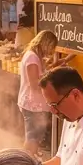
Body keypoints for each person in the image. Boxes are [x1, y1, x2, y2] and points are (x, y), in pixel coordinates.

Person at [18, 30, 58, 158]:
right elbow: (34, 84)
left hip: (35, 104)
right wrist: (51, 76)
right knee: (32, 137)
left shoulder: (35, 56)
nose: (51, 51)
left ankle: (30, 158)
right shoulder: (32, 57)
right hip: (32, 104)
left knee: (35, 136)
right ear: (45, 43)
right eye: (51, 47)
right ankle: (26, 160)